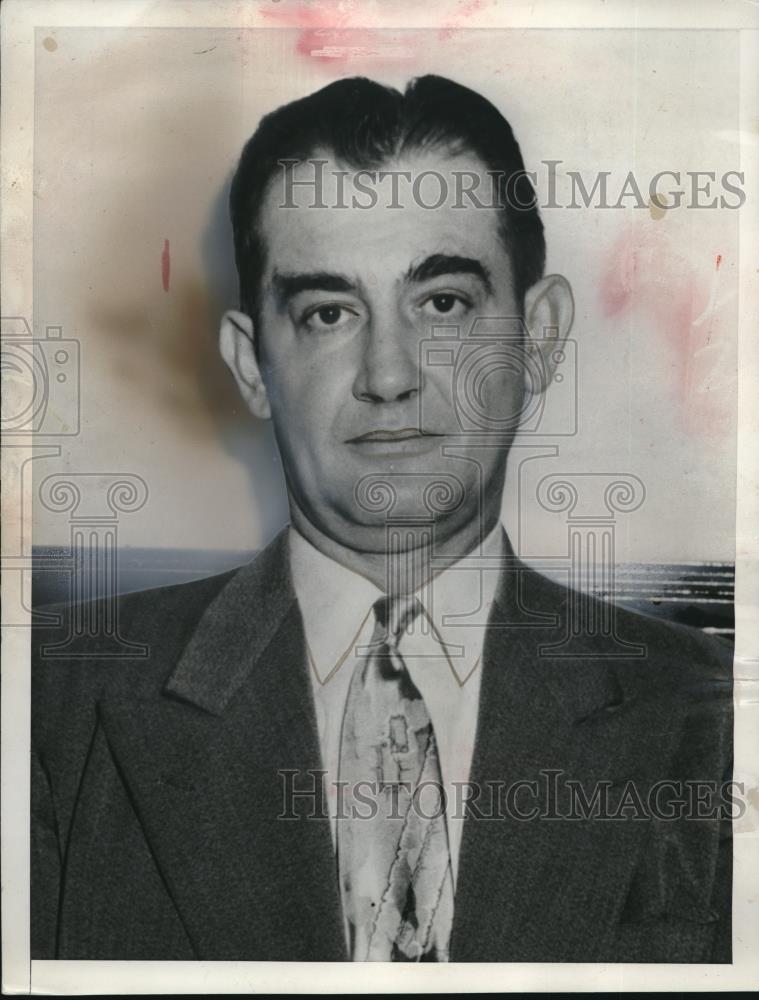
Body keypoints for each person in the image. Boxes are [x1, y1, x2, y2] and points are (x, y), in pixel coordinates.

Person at [31, 75, 733, 963]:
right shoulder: (49, 706)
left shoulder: (713, 718)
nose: (388, 374)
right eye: (328, 313)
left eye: (441, 302)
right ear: (252, 365)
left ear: (540, 335)